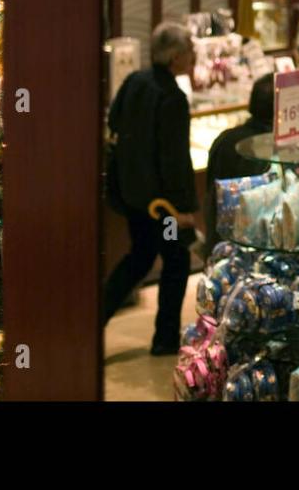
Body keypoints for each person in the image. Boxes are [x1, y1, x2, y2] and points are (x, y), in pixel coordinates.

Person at [102, 21, 199, 355]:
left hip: (133, 196)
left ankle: (93, 319)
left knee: (141, 257)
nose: (194, 55)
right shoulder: (173, 98)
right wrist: (184, 210)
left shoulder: (134, 81)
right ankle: (165, 339)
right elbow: (174, 160)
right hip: (165, 207)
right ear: (174, 57)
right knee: (175, 262)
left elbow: (113, 123)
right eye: (190, 49)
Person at [201, 73, 274, 260]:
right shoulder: (273, 149)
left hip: (220, 247)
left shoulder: (225, 139)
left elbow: (211, 196)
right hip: (256, 252)